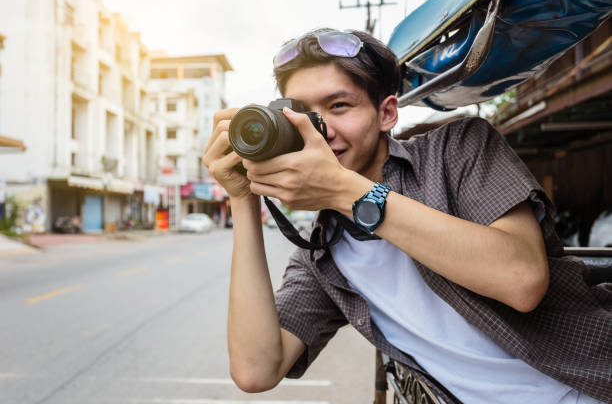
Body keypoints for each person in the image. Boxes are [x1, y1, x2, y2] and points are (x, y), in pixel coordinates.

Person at [203, 29, 611, 404]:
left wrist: (345, 191)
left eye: (339, 106)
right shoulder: (324, 252)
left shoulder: (457, 149)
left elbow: (522, 280)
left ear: (387, 114)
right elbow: (256, 370)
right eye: (302, 115)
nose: (321, 130)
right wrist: (243, 197)